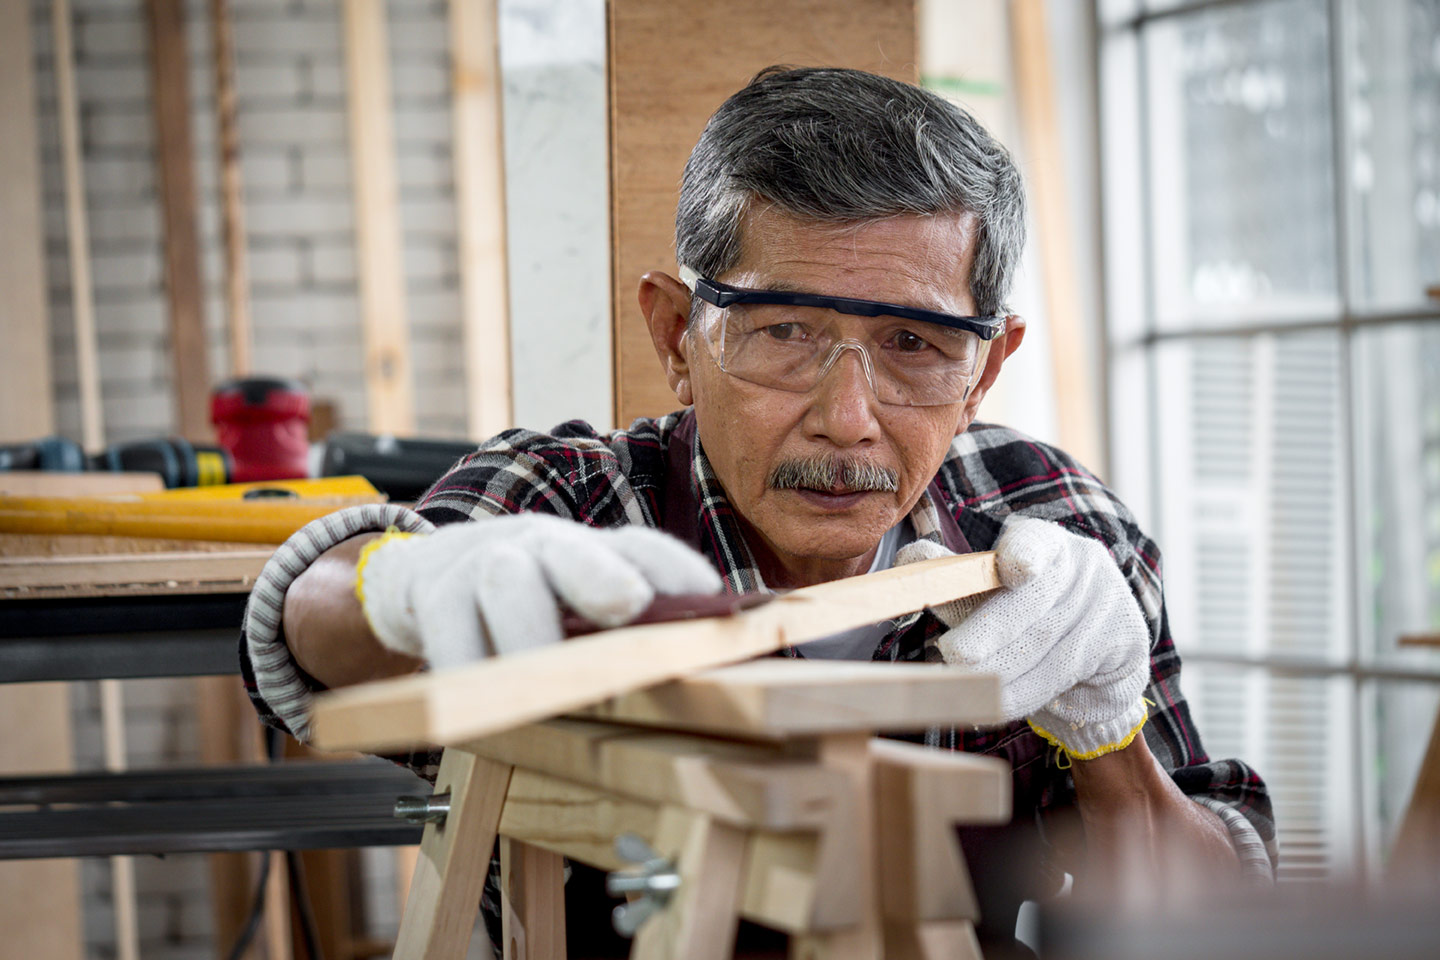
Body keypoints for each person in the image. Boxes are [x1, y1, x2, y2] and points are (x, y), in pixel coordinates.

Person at [240, 66, 1276, 954]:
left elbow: (1222, 931)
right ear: (676, 334)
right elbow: (308, 628)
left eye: (916, 346)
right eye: (783, 331)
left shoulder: (1054, 526)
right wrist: (400, 583)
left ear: (988, 367)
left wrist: (1109, 736)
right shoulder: (582, 502)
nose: (846, 419)